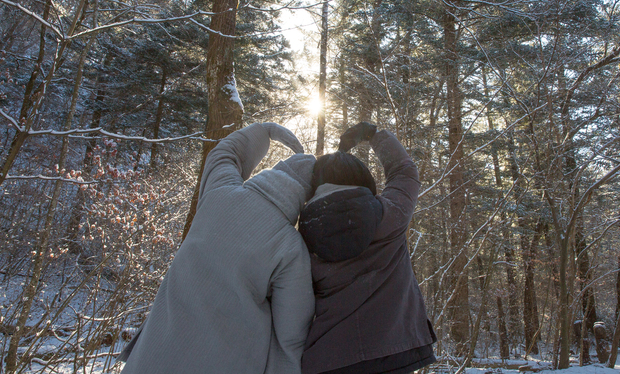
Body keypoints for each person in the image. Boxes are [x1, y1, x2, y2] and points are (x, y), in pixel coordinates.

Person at [119, 123, 316, 374]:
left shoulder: (219, 192)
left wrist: (263, 131)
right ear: (304, 198)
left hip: (152, 357)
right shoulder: (290, 248)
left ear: (274, 171)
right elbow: (290, 340)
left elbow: (223, 154)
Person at [298, 122, 437, 374]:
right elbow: (404, 172)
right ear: (365, 181)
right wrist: (373, 134)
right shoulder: (390, 215)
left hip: (328, 358)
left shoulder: (301, 234)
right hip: (394, 351)